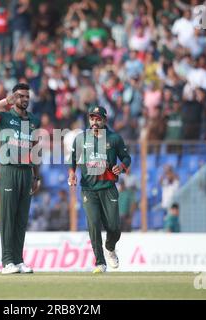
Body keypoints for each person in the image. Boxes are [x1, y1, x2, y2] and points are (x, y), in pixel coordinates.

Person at [0, 82, 40, 274]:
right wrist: (3, 101)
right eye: (21, 96)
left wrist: (36, 177)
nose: (25, 99)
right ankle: (7, 262)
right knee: (8, 217)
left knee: (21, 218)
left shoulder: (33, 121)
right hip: (9, 171)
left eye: (27, 96)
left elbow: (35, 149)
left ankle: (19, 260)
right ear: (14, 98)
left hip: (26, 172)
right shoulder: (4, 117)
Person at [68, 105, 131, 273]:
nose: (94, 122)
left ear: (104, 120)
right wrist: (72, 173)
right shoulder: (81, 138)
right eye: (92, 118)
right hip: (89, 189)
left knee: (114, 227)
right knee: (94, 224)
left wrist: (122, 166)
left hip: (108, 187)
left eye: (98, 119)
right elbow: (72, 159)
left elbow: (126, 157)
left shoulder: (114, 138)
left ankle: (110, 248)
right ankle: (99, 262)